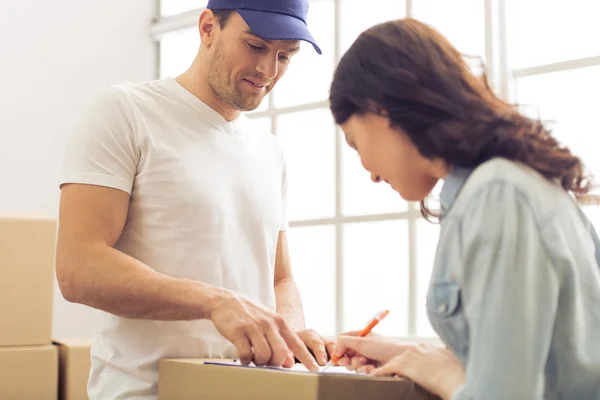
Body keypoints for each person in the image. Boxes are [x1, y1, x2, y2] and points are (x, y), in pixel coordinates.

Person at [55, 1, 332, 399]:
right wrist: (213, 302)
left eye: (285, 56)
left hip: (242, 392)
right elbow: (78, 267)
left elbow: (279, 277)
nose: (269, 71)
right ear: (207, 28)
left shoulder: (270, 151)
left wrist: (289, 331)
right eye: (255, 46)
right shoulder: (126, 113)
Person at [328, 18, 600, 400]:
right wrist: (411, 355)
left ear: (380, 110)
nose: (369, 173)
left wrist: (441, 373)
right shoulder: (509, 185)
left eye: (356, 144)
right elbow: (540, 362)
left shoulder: (498, 196)